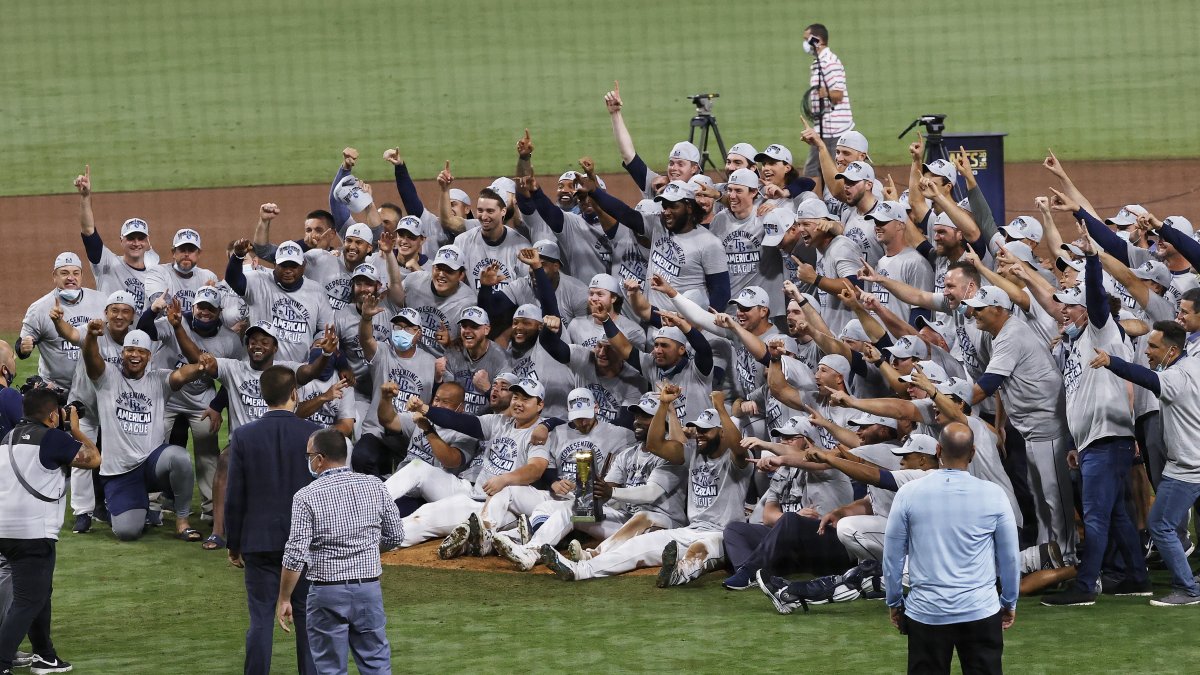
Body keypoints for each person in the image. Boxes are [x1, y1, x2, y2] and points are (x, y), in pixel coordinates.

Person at [884, 423, 1020, 675]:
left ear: (938, 450)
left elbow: (892, 556)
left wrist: (894, 600)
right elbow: (1010, 557)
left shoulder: (908, 493)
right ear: (973, 452)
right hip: (980, 610)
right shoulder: (994, 495)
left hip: (926, 612)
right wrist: (1009, 601)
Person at [278, 429, 404, 675]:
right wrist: (367, 547)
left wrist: (284, 598)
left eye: (309, 456)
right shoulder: (374, 485)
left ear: (320, 459)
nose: (308, 461)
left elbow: (295, 554)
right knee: (377, 665)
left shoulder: (306, 496)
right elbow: (396, 535)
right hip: (368, 590)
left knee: (330, 669)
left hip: (327, 593)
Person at [1093, 321, 1200, 606]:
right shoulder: (1195, 364)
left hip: (1188, 466)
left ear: (1172, 350)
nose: (1147, 351)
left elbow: (1146, 378)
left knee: (1160, 525)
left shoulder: (1176, 376)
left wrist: (1112, 362)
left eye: (1153, 346)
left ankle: (1187, 589)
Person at [224, 366, 321, 675]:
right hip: (305, 544)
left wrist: (233, 544)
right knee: (307, 618)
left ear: (262, 395)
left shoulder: (243, 436)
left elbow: (234, 496)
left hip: (258, 542)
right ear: (294, 393)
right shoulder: (314, 435)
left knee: (260, 620)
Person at [0, 389, 100, 675]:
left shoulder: (8, 438)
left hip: (4, 530)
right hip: (32, 532)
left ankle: (45, 655)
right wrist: (76, 430)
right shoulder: (53, 438)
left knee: (39, 592)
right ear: (53, 415)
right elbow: (94, 459)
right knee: (28, 600)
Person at [83, 326, 212, 541]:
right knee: (127, 532)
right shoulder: (106, 376)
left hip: (152, 464)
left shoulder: (158, 380)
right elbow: (91, 358)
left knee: (179, 457)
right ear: (122, 353)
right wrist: (90, 337)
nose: (135, 355)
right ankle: (138, 506)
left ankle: (182, 522)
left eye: (141, 351)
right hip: (120, 472)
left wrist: (201, 366)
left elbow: (182, 374)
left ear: (149, 356)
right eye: (130, 350)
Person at [801, 23, 854, 177]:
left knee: (821, 171)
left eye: (806, 39)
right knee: (818, 170)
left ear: (817, 40)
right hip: (824, 126)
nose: (805, 43)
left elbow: (838, 94)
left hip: (834, 129)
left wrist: (825, 93)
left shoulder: (830, 62)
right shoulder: (820, 61)